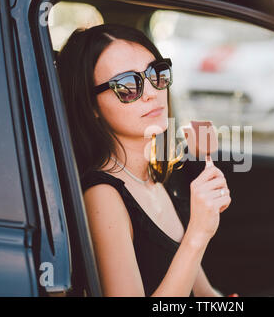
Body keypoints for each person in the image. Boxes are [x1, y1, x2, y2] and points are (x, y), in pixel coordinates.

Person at [57, 23, 234, 297]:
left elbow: (204, 294)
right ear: (91, 106)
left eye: (156, 74)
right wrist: (198, 234)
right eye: (128, 86)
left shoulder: (152, 176)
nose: (152, 92)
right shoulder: (103, 196)